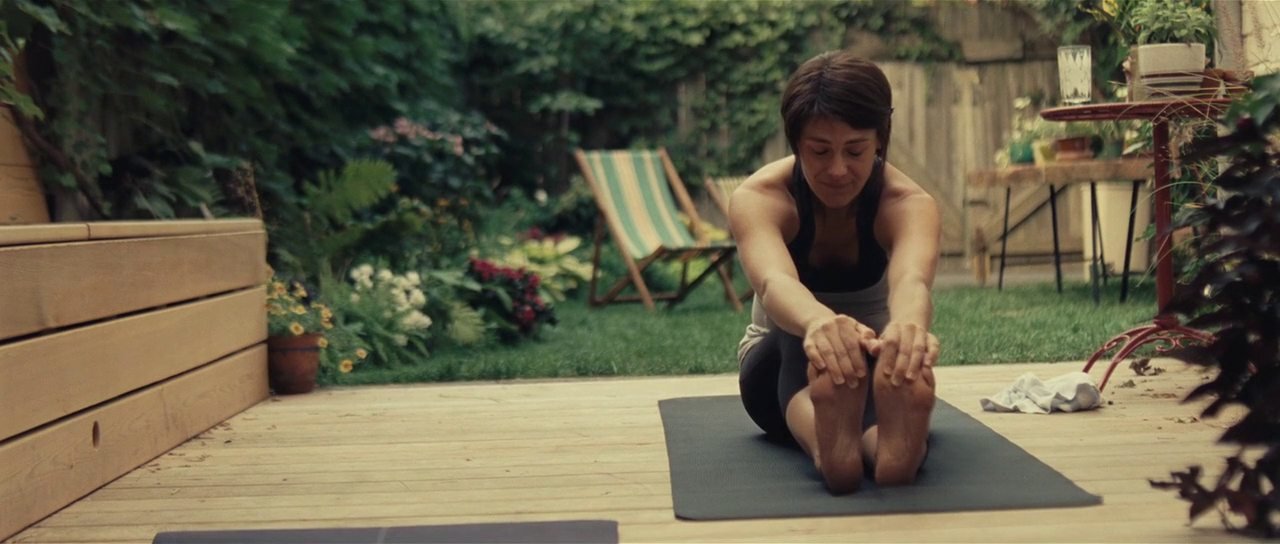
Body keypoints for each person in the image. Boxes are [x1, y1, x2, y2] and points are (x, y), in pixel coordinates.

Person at [730, 50, 941, 495]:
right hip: (774, 374)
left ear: (880, 140)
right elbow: (774, 282)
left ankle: (891, 450)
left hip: (874, 370)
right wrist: (819, 324)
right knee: (804, 341)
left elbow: (911, 281)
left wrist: (907, 331)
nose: (838, 169)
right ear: (795, 143)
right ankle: (829, 447)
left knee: (878, 365)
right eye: (820, 151)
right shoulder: (761, 198)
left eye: (856, 150)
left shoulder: (908, 204)